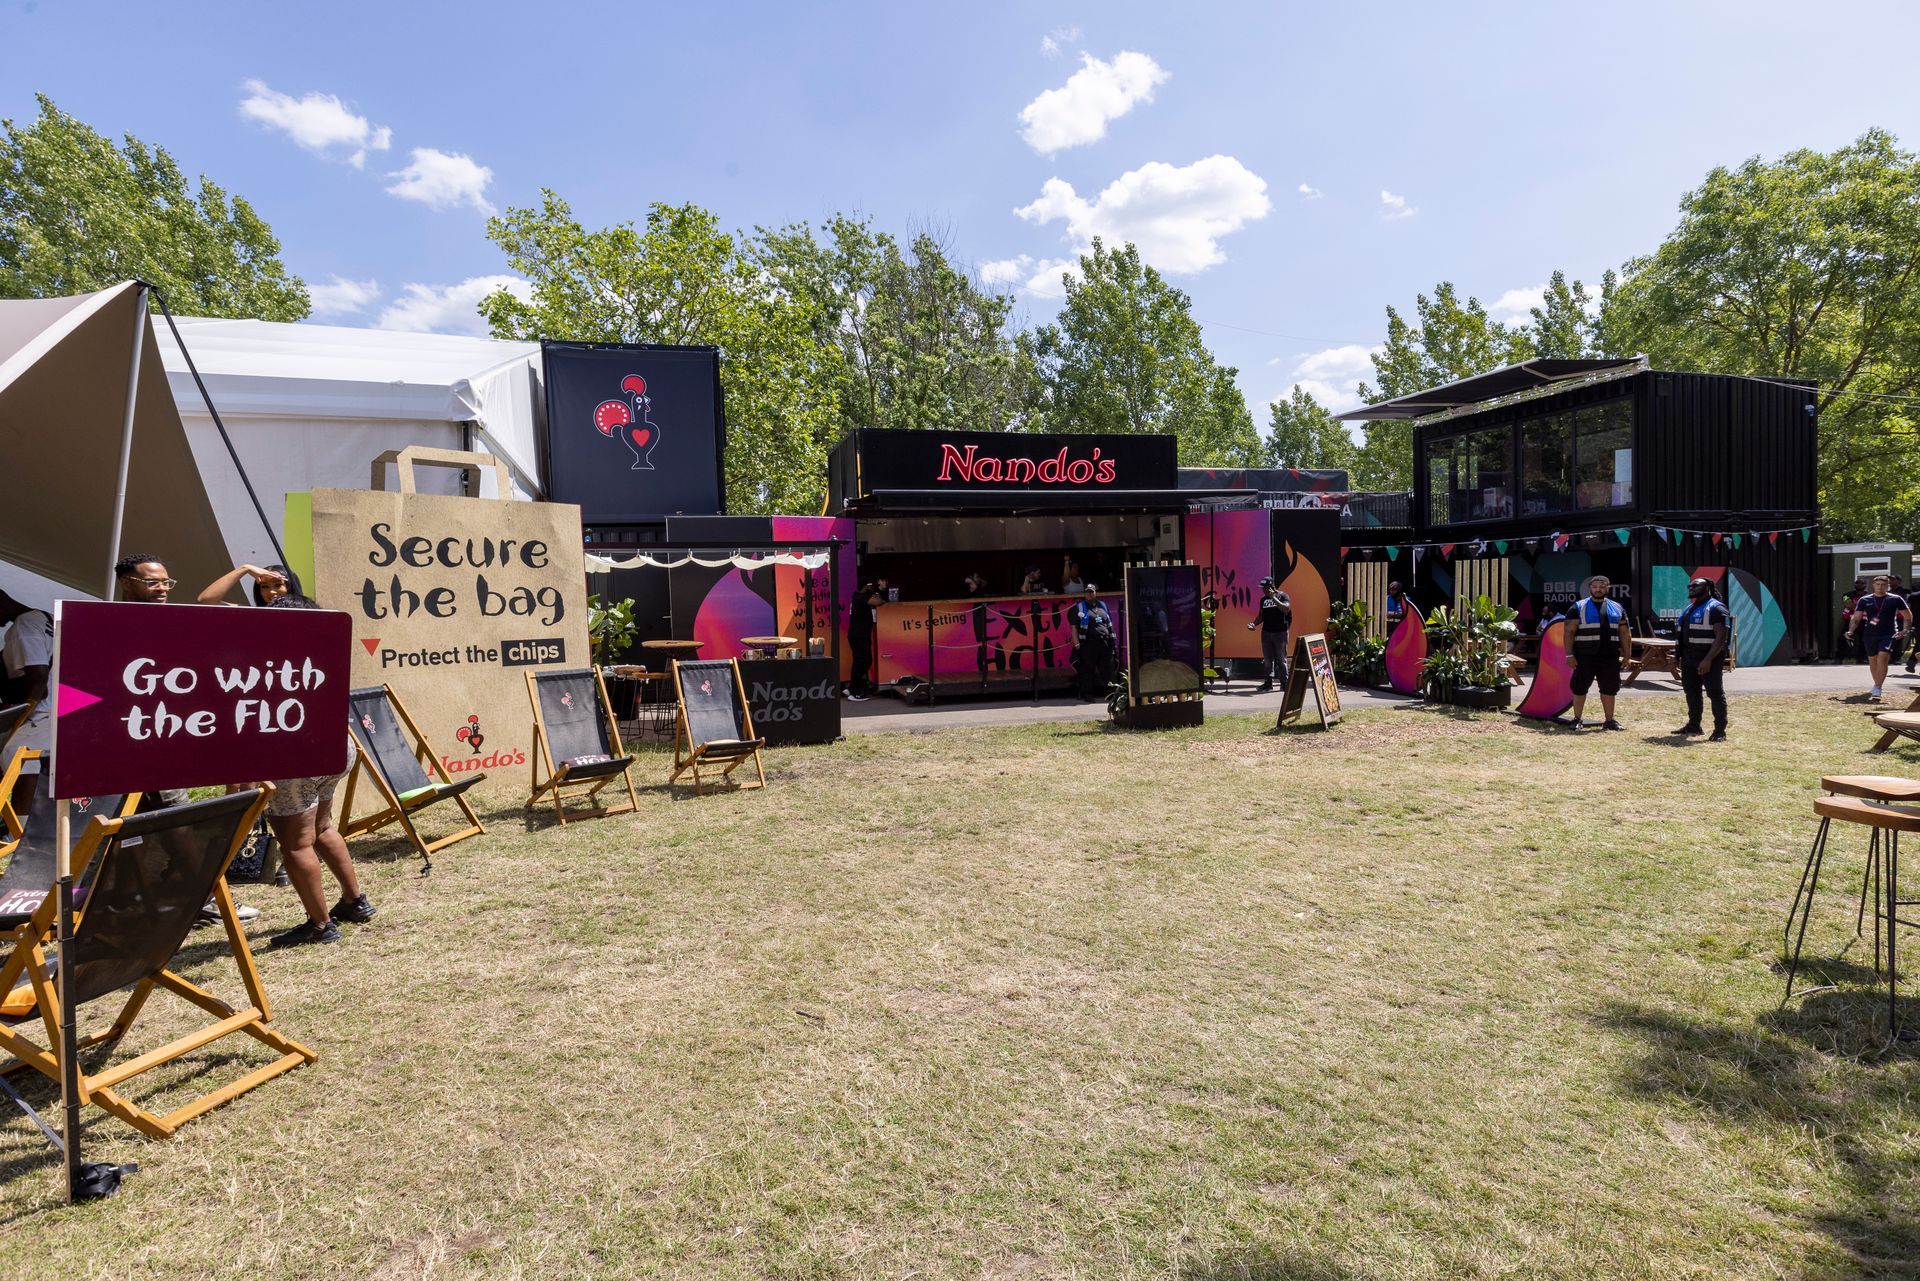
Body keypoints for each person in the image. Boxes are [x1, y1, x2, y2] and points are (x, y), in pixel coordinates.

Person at [259, 595, 373, 947]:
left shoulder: (270, 660)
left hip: (296, 758)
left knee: (294, 844)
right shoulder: (326, 650)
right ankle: (355, 902)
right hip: (336, 748)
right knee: (322, 827)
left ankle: (320, 925)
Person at [1564, 575, 1631, 730]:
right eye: (1594, 587)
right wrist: (1569, 655)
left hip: (1610, 656)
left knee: (1610, 688)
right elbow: (1568, 632)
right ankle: (1577, 719)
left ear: (1608, 587)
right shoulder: (1578, 607)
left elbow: (1625, 633)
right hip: (1584, 656)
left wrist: (1627, 656)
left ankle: (1610, 721)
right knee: (1579, 687)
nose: (1598, 589)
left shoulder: (1618, 608)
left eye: (1601, 586)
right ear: (1590, 588)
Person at [1671, 577, 1730, 741]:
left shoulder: (1717, 608)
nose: (1691, 588)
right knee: (1692, 692)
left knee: (1715, 693)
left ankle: (1720, 731)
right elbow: (1682, 635)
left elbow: (1721, 638)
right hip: (1689, 658)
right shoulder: (1690, 608)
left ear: (1707, 587)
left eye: (1695, 586)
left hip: (1709, 659)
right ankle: (1694, 726)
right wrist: (1677, 656)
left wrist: (1708, 659)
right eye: (1689, 586)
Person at [1845, 574, 1910, 700]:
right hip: (1870, 634)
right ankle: (1876, 684)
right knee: (1873, 660)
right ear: (1873, 585)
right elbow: (1856, 618)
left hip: (1889, 633)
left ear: (1888, 586)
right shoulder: (1865, 600)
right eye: (1878, 584)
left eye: (1883, 585)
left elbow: (1907, 616)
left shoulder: (1896, 599)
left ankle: (1878, 687)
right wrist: (1850, 631)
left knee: (1883, 658)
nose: (1880, 587)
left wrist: (1905, 630)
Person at [0, 590, 52, 709]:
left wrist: (21, 713)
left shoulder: (24, 625)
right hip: (59, 711)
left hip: (38, 718)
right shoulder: (46, 619)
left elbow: (39, 678)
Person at [1070, 585, 1115, 701]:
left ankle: (1111, 694)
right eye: (1087, 592)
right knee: (1087, 670)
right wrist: (1076, 644)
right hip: (1088, 643)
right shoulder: (1078, 608)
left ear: (1095, 593)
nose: (1089, 594)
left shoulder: (1103, 605)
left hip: (1104, 642)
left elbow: (1108, 623)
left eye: (1091, 592)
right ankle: (1088, 695)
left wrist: (1112, 640)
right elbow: (1074, 627)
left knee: (1108, 669)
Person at [1247, 576, 1292, 692]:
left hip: (1280, 632)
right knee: (1268, 659)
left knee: (1281, 659)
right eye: (1262, 588)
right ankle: (1268, 683)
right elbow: (1261, 616)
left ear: (1272, 587)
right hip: (1266, 632)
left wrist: (1273, 598)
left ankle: (1284, 683)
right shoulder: (1263, 599)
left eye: (1265, 588)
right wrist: (1253, 624)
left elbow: (1286, 609)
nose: (1263, 590)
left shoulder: (1283, 596)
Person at [197, 562, 296, 607]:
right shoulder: (252, 614)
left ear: (291, 586)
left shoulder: (308, 610)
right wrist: (245, 568)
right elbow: (206, 601)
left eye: (278, 585)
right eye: (264, 586)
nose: (271, 591)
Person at [845, 582, 881, 701]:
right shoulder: (860, 596)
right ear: (866, 586)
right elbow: (877, 602)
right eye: (870, 586)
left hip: (858, 635)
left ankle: (852, 687)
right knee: (864, 660)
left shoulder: (858, 596)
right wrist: (876, 594)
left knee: (859, 661)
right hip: (859, 635)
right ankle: (855, 692)